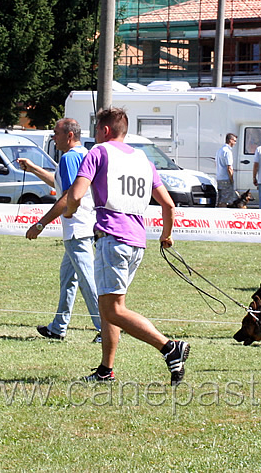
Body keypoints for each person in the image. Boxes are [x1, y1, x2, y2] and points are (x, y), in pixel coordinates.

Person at [64, 107, 189, 385]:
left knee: (112, 310)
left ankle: (169, 347)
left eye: (97, 129)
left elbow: (76, 194)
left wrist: (70, 210)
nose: (94, 135)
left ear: (105, 130)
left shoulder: (98, 152)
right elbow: (168, 205)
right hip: (137, 242)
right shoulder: (143, 159)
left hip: (112, 239)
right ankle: (105, 370)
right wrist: (166, 235)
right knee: (111, 303)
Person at [18, 118, 101, 342]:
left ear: (69, 135)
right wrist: (34, 168)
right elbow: (59, 183)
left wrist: (40, 224)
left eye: (56, 133)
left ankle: (104, 328)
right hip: (85, 225)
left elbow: (68, 196)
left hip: (77, 228)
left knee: (86, 280)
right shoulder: (83, 155)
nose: (53, 137)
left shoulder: (69, 158)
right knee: (68, 278)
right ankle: (58, 327)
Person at [216, 133, 237, 207]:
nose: (235, 143)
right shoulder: (228, 152)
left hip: (219, 178)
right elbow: (229, 168)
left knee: (220, 200)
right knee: (225, 201)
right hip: (226, 179)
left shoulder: (220, 150)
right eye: (234, 141)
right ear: (230, 140)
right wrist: (231, 179)